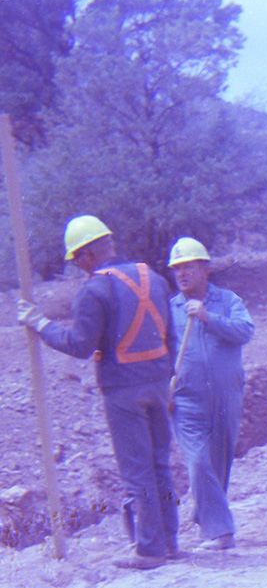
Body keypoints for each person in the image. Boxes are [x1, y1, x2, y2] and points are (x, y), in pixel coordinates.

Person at [18, 215, 179, 569]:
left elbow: (79, 344)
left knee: (137, 471)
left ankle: (150, 550)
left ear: (87, 254)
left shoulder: (95, 289)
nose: (76, 266)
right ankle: (170, 541)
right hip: (158, 382)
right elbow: (170, 332)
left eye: (77, 259)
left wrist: (39, 323)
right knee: (160, 465)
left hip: (123, 390)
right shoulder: (152, 277)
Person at [166, 236, 255, 552]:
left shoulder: (229, 301)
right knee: (199, 462)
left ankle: (207, 516)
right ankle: (221, 533)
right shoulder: (169, 309)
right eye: (177, 268)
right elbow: (161, 352)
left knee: (217, 464)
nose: (182, 273)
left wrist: (208, 318)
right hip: (186, 400)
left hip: (226, 396)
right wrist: (165, 386)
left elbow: (245, 331)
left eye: (188, 266)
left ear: (205, 269)